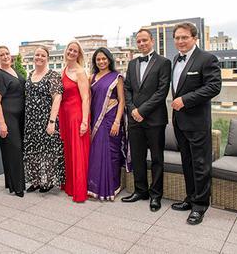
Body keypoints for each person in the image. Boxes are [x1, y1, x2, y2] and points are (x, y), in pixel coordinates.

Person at [170, 22, 221, 225]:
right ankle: (190, 199)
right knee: (187, 163)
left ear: (194, 38)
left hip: (198, 122)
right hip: (180, 122)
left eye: (185, 37)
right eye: (177, 38)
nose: (180, 41)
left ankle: (200, 206)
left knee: (200, 165)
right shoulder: (175, 58)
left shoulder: (207, 58)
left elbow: (214, 87)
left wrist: (185, 100)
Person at [122, 30, 171, 212]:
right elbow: (127, 89)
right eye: (139, 41)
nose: (142, 44)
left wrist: (142, 111)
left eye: (145, 40)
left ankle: (156, 195)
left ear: (152, 41)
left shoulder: (164, 62)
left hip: (155, 119)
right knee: (137, 157)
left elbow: (162, 91)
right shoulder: (133, 63)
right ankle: (140, 190)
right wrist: (133, 109)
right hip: (135, 119)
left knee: (157, 158)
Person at [87, 47, 131, 201]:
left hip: (111, 119)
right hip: (96, 121)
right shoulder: (92, 77)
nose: (101, 61)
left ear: (109, 59)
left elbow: (121, 101)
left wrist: (117, 121)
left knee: (111, 154)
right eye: (98, 59)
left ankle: (111, 187)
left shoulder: (116, 77)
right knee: (96, 154)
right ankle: (95, 187)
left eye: (104, 58)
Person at [24, 46, 65, 193]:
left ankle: (47, 182)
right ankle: (35, 181)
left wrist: (52, 121)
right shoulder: (30, 74)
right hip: (30, 119)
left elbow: (57, 98)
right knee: (32, 150)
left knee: (47, 151)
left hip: (46, 118)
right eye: (37, 55)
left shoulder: (53, 75)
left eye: (42, 55)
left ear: (47, 58)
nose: (39, 57)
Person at [0, 46, 26, 197]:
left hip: (20, 115)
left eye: (7, 53)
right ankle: (18, 186)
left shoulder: (14, 71)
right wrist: (2, 123)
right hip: (8, 117)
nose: (5, 56)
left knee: (16, 150)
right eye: (1, 55)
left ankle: (11, 182)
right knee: (14, 149)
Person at [59, 41, 91, 203]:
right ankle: (70, 186)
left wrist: (84, 121)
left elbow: (86, 98)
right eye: (69, 50)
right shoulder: (63, 70)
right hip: (65, 115)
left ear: (79, 55)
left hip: (77, 115)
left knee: (78, 152)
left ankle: (79, 190)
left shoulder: (80, 72)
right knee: (69, 151)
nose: (71, 53)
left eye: (75, 51)